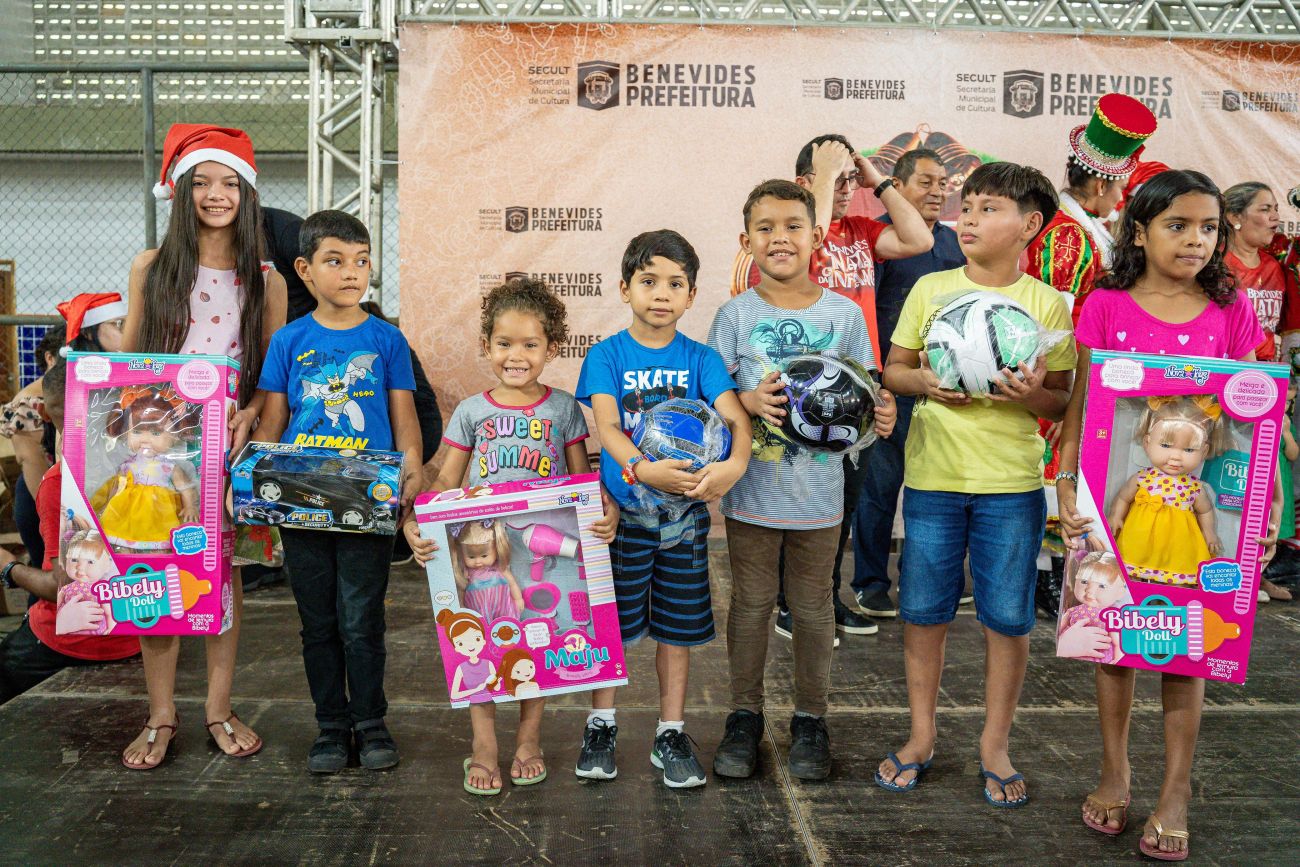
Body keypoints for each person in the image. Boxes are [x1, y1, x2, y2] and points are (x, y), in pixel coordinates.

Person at [1056, 170, 1281, 860]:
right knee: (1114, 640)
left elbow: (1250, 414)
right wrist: (1066, 481)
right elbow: (1081, 402)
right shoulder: (1105, 304)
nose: (1195, 240)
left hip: (1194, 519)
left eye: (1209, 227)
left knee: (1190, 648)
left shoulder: (1229, 311)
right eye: (1177, 226)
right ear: (1140, 231)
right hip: (1118, 513)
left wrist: (1264, 502)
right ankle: (1114, 771)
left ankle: (1176, 790)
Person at [876, 162, 1075, 805]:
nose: (968, 219)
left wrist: (1029, 394)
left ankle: (994, 744)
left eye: (989, 209)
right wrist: (925, 383)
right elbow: (895, 369)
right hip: (933, 479)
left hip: (1011, 486)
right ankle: (921, 736)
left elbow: (1061, 398)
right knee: (923, 612)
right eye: (967, 207)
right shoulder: (931, 288)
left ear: (1030, 225)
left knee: (1008, 619)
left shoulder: (1048, 304)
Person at [709, 181, 896, 782]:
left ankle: (811, 719)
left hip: (819, 494)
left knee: (814, 605)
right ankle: (744, 715)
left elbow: (868, 392)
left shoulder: (843, 314)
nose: (780, 238)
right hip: (753, 491)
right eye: (765, 228)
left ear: (816, 237)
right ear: (746, 241)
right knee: (752, 601)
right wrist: (745, 399)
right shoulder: (735, 315)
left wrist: (882, 412)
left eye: (792, 226)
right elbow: (714, 401)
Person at [405, 277, 616, 795]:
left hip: (535, 554)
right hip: (481, 557)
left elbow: (579, 482)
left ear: (552, 348)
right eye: (504, 343)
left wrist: (604, 508)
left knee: (534, 642)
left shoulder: (563, 408)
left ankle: (528, 738)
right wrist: (416, 520)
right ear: (487, 345)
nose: (515, 356)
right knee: (475, 646)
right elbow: (447, 481)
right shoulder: (472, 411)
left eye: (530, 345)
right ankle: (483, 745)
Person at [119, 123, 287, 768]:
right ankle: (161, 713)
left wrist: (251, 415)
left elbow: (271, 375)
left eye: (229, 183)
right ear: (179, 192)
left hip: (229, 450)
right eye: (202, 183)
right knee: (154, 572)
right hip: (157, 450)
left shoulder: (266, 279)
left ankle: (218, 706)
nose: (216, 195)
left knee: (222, 578)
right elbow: (128, 367)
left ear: (247, 194)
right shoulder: (151, 268)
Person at [734, 134, 932, 638]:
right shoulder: (796, 238)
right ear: (808, 183)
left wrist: (876, 179)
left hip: (856, 388)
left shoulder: (861, 230)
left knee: (842, 501)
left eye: (850, 181)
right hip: (800, 390)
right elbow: (810, 237)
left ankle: (823, 598)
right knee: (793, 499)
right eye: (837, 181)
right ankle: (788, 603)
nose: (846, 189)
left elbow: (919, 240)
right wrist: (822, 177)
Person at [575, 230, 751, 788]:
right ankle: (601, 725)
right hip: (622, 520)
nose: (661, 294)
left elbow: (736, 419)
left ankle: (670, 732)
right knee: (611, 630)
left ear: (691, 295)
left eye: (676, 284)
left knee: (676, 632)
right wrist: (639, 468)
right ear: (624, 288)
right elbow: (607, 426)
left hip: (684, 522)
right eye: (649, 281)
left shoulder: (702, 358)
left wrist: (734, 465)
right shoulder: (607, 355)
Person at [253, 209, 420, 773]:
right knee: (318, 622)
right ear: (304, 269)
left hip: (367, 503)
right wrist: (248, 482)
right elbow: (272, 423)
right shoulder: (288, 340)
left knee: (361, 619)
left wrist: (413, 470)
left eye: (361, 260)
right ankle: (330, 726)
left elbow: (404, 418)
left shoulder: (386, 339)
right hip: (300, 502)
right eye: (335, 260)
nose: (351, 272)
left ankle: (370, 723)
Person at [850, 148, 966, 618]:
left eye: (943, 183)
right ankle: (870, 582)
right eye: (926, 182)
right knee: (879, 490)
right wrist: (880, 381)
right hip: (888, 387)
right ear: (896, 186)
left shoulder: (957, 245)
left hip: (945, 391)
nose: (938, 191)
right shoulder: (880, 240)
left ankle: (932, 578)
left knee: (940, 491)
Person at [0, 358, 140, 703]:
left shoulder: (61, 483)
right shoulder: (146, 469)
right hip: (141, 636)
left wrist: (8, 567)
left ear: (46, 415)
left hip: (75, 639)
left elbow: (62, 588)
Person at [1, 295, 126, 570]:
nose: (127, 333)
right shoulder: (57, 394)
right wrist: (58, 518)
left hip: (94, 499)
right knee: (54, 573)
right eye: (118, 324)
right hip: (48, 497)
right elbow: (38, 470)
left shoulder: (111, 382)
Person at [1026, 93, 1158, 323]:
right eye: (1121, 188)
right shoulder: (1068, 234)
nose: (1120, 198)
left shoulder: (1073, 221)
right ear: (1101, 186)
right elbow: (1054, 319)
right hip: (1075, 343)